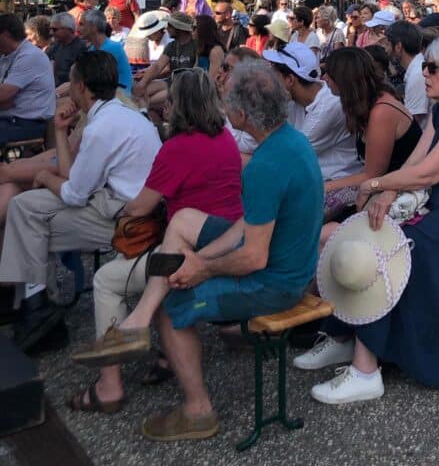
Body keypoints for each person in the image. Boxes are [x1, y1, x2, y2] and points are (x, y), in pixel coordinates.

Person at [72, 60, 324, 442]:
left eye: (227, 101)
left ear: (240, 114)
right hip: (286, 263)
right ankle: (136, 322)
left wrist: (201, 269)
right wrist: (201, 259)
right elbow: (247, 224)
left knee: (173, 305)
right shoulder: (292, 142)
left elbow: (253, 258)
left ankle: (198, 411)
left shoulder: (264, 165)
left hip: (277, 283)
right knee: (185, 220)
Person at [297, 37, 439, 403]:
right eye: (424, 66)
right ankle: (346, 337)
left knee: (386, 253)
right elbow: (415, 163)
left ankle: (365, 369)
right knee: (363, 235)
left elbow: (428, 173)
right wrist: (387, 192)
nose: (424, 73)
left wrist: (375, 184)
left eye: (433, 68)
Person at [67, 69, 243, 413]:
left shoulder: (177, 148)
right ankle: (164, 355)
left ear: (179, 105)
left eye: (171, 100)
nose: (165, 106)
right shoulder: (224, 137)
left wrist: (112, 205)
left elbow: (141, 206)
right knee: (150, 276)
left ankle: (109, 385)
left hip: (191, 250)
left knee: (106, 279)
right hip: (225, 238)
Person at [0, 52, 160, 352]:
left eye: (70, 82)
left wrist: (46, 179)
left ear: (83, 86)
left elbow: (74, 193)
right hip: (126, 205)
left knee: (28, 215)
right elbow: (74, 179)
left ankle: (33, 306)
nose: (66, 88)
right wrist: (61, 132)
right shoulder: (122, 114)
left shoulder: (101, 127)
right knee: (28, 211)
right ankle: (33, 303)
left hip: (125, 218)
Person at [321, 47, 421, 203]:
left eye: (329, 73)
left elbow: (372, 175)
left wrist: (322, 187)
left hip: (399, 192)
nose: (324, 78)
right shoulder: (370, 102)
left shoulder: (381, 112)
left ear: (344, 79)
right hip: (387, 186)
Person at [264, 42, 359, 186]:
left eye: (273, 73)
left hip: (335, 182)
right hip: (311, 179)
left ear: (290, 80)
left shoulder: (329, 107)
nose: (268, 78)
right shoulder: (293, 101)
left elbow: (287, 156)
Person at [0, 13, 57, 144]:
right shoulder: (7, 55)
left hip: (27, 124)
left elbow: (3, 95)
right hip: (11, 119)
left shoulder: (29, 56)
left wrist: (5, 99)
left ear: (5, 35)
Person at [132, 13, 197, 117]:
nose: (166, 28)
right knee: (136, 92)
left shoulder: (195, 46)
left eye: (170, 26)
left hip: (185, 88)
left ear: (179, 28)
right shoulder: (172, 45)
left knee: (148, 102)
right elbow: (158, 66)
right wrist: (143, 83)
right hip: (171, 83)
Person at [78, 10, 133, 95]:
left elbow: (95, 82)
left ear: (93, 27)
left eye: (81, 24)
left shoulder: (111, 48)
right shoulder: (93, 49)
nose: (78, 29)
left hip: (119, 98)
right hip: (108, 95)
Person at [384, 20, 428, 126]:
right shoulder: (416, 69)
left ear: (398, 47)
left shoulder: (417, 74)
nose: (385, 49)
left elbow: (412, 122)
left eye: (387, 44)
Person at [47, 12, 86, 86]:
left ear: (70, 30)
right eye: (50, 29)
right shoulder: (56, 45)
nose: (51, 32)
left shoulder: (82, 48)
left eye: (55, 29)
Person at [195, 14, 225, 80]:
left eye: (194, 28)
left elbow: (212, 79)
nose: (191, 31)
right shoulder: (200, 47)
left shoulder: (214, 51)